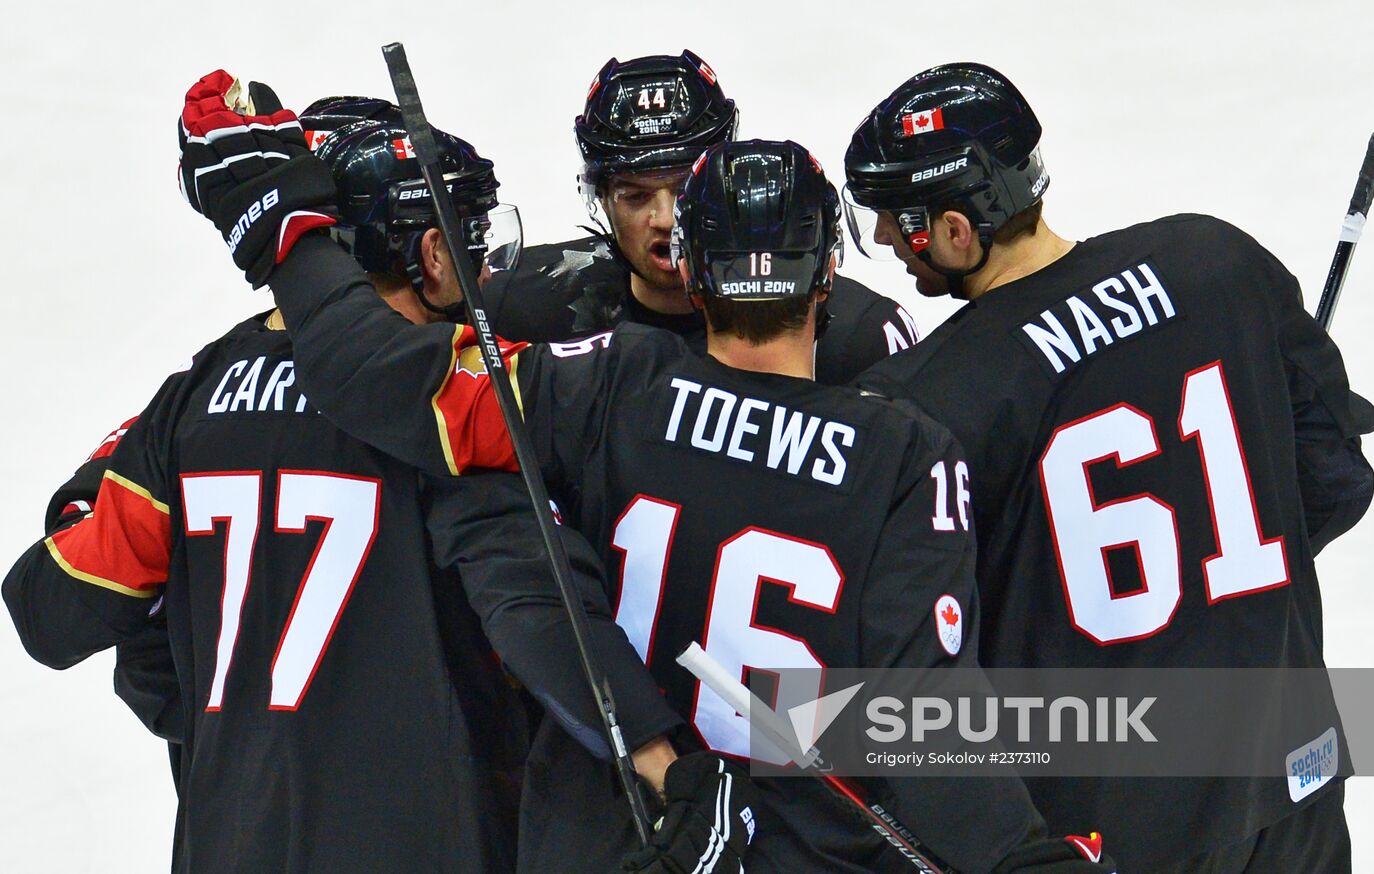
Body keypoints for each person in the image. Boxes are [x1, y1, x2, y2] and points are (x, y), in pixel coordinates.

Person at [180, 73, 1119, 871]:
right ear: (827, 277)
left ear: (695, 274)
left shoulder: (603, 382)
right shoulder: (907, 448)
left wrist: (285, 225)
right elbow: (925, 722)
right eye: (636, 191)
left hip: (603, 828)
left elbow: (385, 388)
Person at [4, 72, 684, 873]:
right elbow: (544, 633)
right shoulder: (451, 414)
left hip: (231, 840)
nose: (486, 266)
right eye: (469, 236)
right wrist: (667, 770)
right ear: (433, 253)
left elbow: (52, 613)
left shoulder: (191, 402)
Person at [843, 62, 1374, 872]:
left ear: (958, 230)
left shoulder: (924, 400)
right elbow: (1337, 479)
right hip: (1291, 780)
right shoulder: (1218, 262)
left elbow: (921, 658)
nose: (885, 240)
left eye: (897, 219)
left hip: (1109, 825)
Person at [483, 50, 922, 383]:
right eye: (636, 197)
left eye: (683, 190)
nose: (665, 218)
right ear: (601, 198)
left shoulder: (860, 334)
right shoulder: (513, 307)